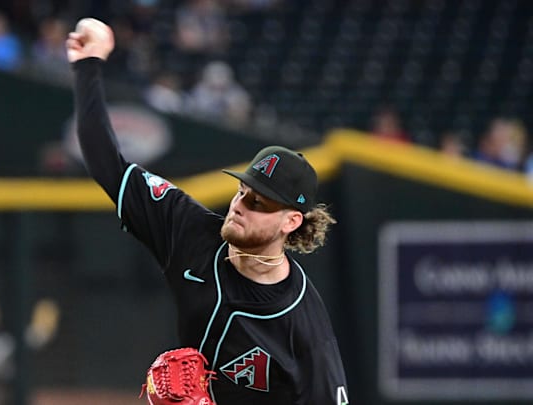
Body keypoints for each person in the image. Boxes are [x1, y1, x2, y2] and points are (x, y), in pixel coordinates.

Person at [67, 18, 349, 404]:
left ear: (291, 221)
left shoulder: (305, 329)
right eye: (241, 192)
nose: (238, 206)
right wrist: (88, 65)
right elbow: (106, 163)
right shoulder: (191, 232)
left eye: (257, 203)